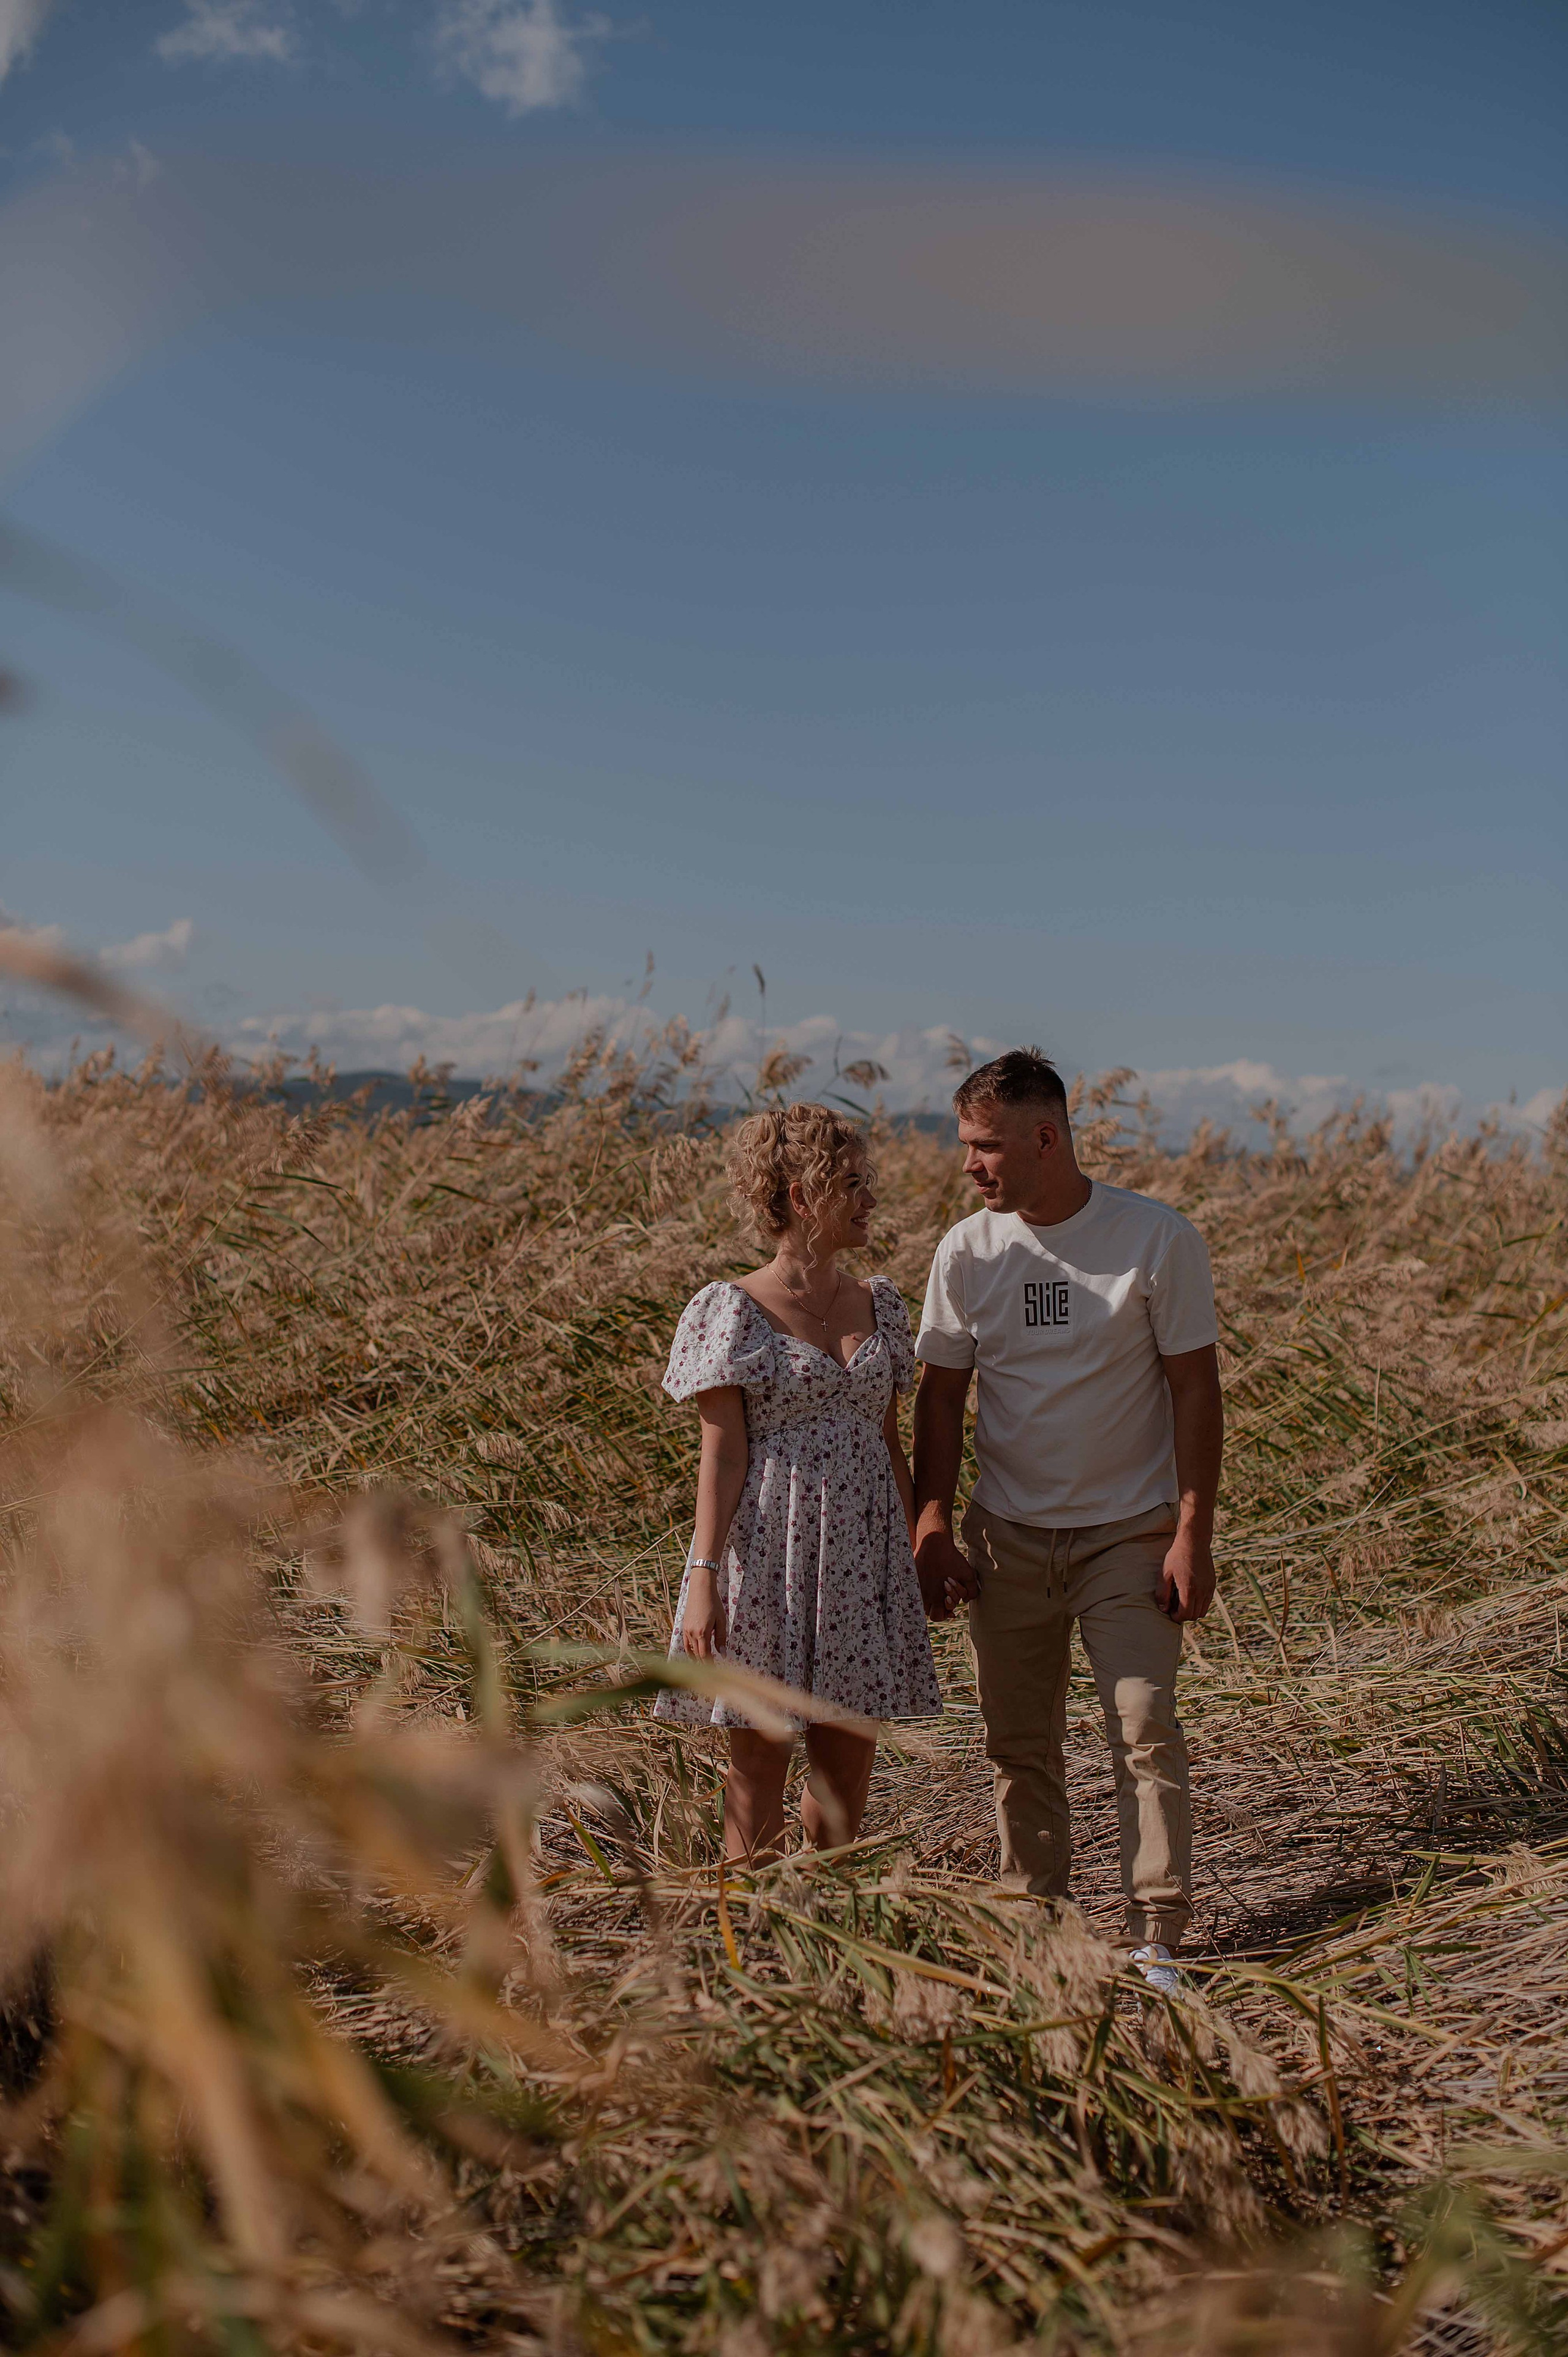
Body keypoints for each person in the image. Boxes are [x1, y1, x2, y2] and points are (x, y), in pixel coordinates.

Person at [911, 1048, 1222, 1989]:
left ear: (1045, 1139)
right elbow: (939, 1401)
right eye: (967, 1146)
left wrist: (1191, 1534)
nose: (970, 1165)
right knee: (1018, 1743)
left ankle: (1156, 1935)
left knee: (1143, 1722)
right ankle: (1038, 1925)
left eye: (986, 1147)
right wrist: (930, 1524)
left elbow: (1195, 1393)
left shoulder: (1156, 1239)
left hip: (1129, 1533)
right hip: (1006, 1537)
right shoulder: (968, 1250)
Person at [657, 1102, 942, 1861]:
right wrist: (702, 1575)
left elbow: (888, 1442)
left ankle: (830, 1934)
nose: (870, 1199)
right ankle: (748, 1946)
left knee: (846, 1775)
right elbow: (721, 1453)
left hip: (862, 1558)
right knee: (756, 1767)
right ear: (802, 1197)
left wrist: (913, 1551)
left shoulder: (880, 1302)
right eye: (852, 1183)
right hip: (769, 1555)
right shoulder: (732, 1309)